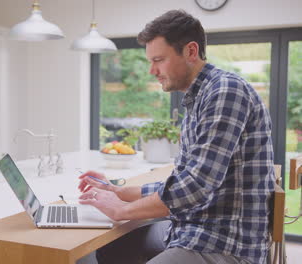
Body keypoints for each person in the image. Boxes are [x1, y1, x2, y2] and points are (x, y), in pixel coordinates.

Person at [78, 9, 275, 264]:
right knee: (111, 249)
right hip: (194, 227)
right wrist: (118, 191)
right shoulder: (199, 97)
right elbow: (181, 183)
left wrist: (122, 210)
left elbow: (195, 186)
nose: (152, 70)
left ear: (191, 51)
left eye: (158, 59)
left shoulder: (225, 91)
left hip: (224, 244)